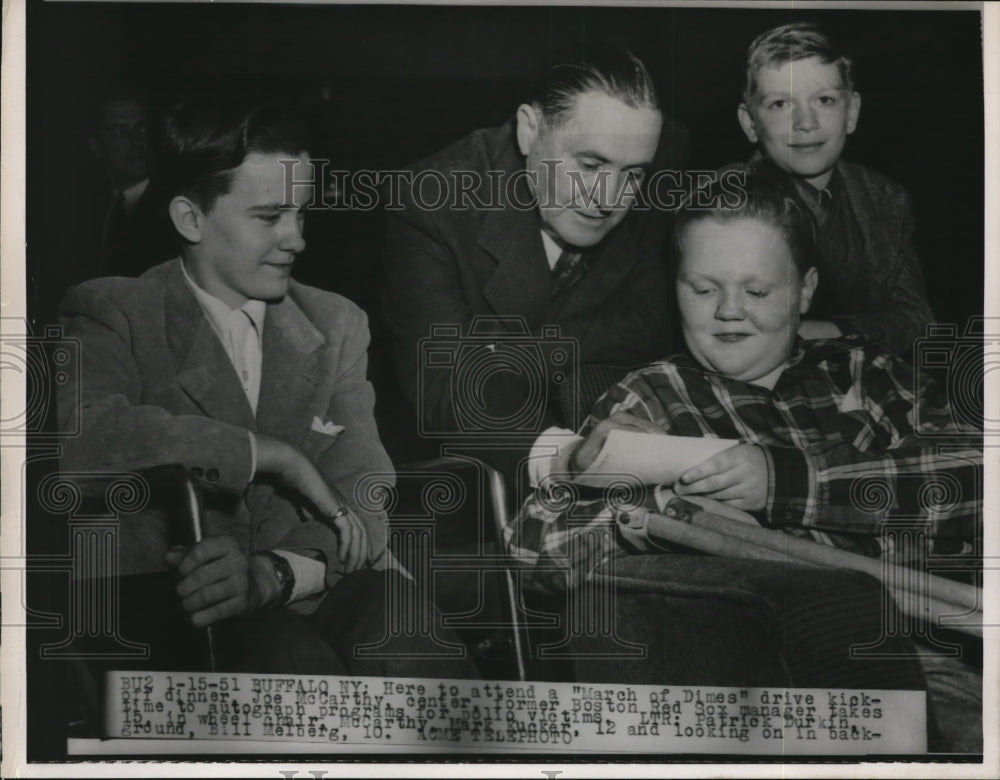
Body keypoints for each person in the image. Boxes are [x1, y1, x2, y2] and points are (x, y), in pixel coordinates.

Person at [507, 173, 982, 752]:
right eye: (703, 289)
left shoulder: (870, 375)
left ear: (805, 290)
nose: (730, 312)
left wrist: (783, 482)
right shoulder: (653, 398)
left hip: (934, 643)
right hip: (754, 683)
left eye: (757, 292)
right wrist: (669, 517)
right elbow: (533, 546)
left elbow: (975, 478)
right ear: (674, 286)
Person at [57, 99, 475, 678]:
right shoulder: (112, 311)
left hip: (309, 579)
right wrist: (271, 455)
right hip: (177, 607)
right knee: (285, 665)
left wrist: (277, 572)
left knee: (415, 646)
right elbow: (87, 441)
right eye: (269, 216)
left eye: (301, 214)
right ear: (190, 218)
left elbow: (365, 488)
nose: (296, 238)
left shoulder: (335, 322)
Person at [382, 48, 683, 479]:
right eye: (590, 164)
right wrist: (566, 454)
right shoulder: (430, 204)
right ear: (528, 130)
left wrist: (505, 357)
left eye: (632, 174)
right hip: (473, 484)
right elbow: (446, 391)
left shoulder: (658, 170)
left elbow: (654, 327)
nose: (609, 198)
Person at [731, 22, 935, 356]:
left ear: (851, 112)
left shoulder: (884, 198)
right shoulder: (728, 198)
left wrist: (832, 331)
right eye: (781, 104)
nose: (806, 122)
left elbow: (918, 322)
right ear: (751, 122)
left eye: (824, 100)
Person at [84, 93, 174, 278]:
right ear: (96, 146)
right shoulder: (90, 208)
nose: (136, 142)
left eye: (142, 129)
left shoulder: (171, 207)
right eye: (119, 132)